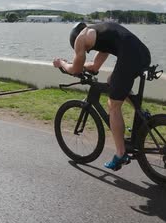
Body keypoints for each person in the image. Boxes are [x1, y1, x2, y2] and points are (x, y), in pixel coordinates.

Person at [53, 22, 151, 170]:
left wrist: (61, 63)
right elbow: (94, 67)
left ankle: (120, 153)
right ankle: (142, 113)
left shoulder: (80, 39)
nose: (83, 51)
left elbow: (76, 69)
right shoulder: (100, 33)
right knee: (113, 81)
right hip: (143, 54)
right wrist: (79, 65)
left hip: (130, 57)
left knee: (113, 105)